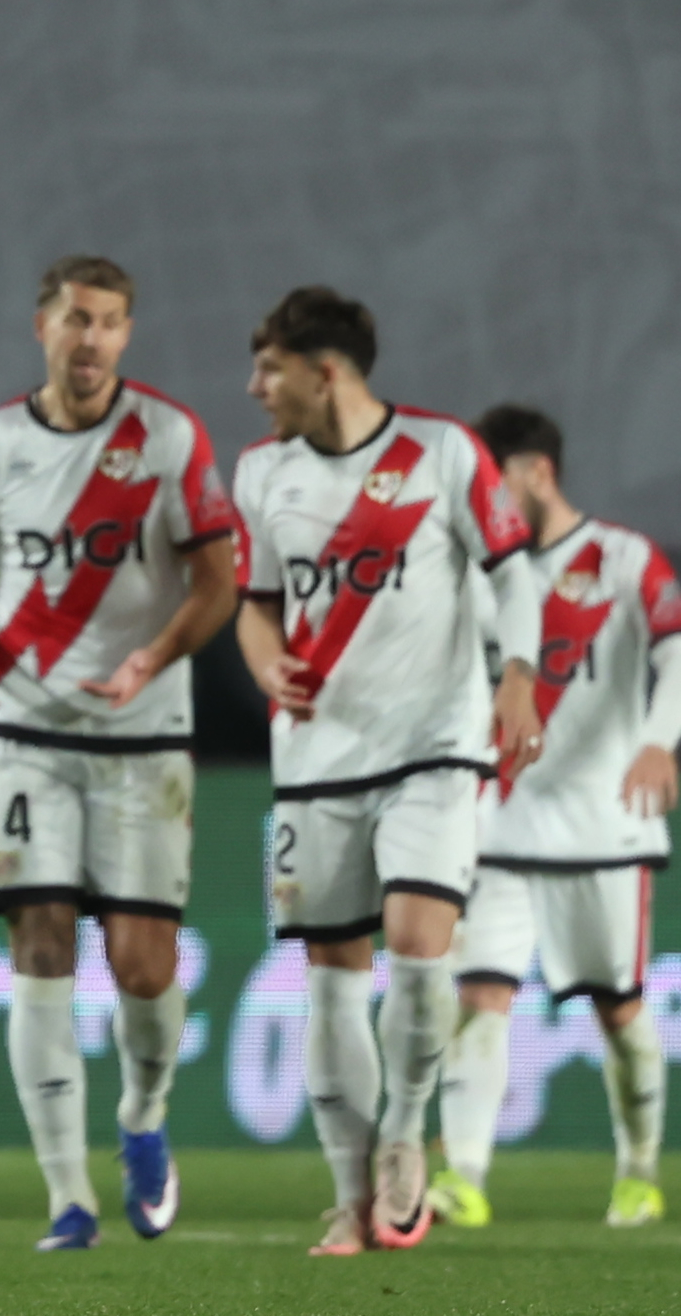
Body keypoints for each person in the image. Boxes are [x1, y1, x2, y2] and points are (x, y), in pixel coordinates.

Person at [0, 256, 237, 1250]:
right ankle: (67, 1197)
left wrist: (153, 657)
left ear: (126, 336)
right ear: (41, 328)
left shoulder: (168, 437)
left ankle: (141, 1117)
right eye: (74, 320)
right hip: (22, 726)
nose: (89, 339)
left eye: (108, 323)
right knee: (39, 943)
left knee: (141, 968)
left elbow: (216, 581)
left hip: (143, 733)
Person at [231, 287, 543, 1257]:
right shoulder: (260, 474)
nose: (254, 388)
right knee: (330, 977)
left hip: (433, 747)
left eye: (270, 369)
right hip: (317, 759)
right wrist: (262, 659)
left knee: (417, 950)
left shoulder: (442, 454)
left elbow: (511, 570)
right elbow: (256, 601)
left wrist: (519, 677)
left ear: (324, 373)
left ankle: (406, 1136)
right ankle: (345, 1190)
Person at [428, 405, 681, 1230]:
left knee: (616, 1007)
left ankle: (638, 1172)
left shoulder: (622, 559)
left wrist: (657, 742)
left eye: (497, 478)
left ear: (537, 472)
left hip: (601, 828)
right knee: (477, 995)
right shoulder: (480, 574)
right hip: (499, 824)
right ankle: (465, 1177)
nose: (488, 497)